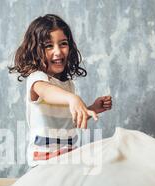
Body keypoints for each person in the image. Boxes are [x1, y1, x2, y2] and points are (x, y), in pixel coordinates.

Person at [8, 14, 112, 168]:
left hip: (68, 159)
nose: (58, 52)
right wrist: (72, 99)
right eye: (49, 46)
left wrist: (91, 109)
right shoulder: (36, 80)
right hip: (44, 163)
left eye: (63, 44)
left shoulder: (68, 85)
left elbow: (68, 122)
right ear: (35, 51)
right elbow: (47, 92)